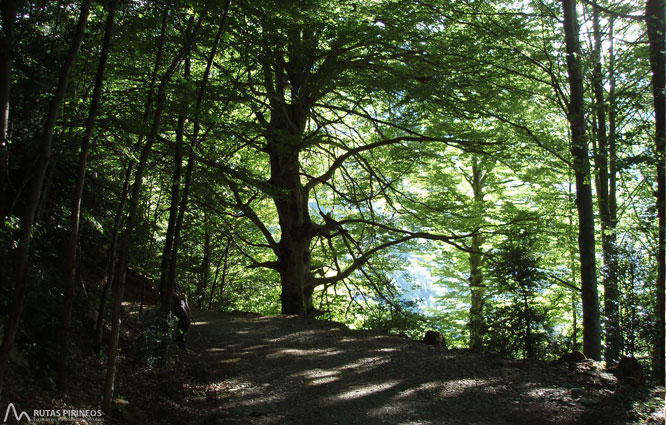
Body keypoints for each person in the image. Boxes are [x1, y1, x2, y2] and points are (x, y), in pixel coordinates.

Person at [172, 283, 191, 349]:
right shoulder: (170, 282)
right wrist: (180, 296)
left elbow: (180, 294)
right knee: (186, 322)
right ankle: (179, 337)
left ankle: (180, 338)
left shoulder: (176, 284)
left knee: (182, 324)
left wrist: (184, 296)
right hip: (177, 307)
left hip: (181, 305)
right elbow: (173, 294)